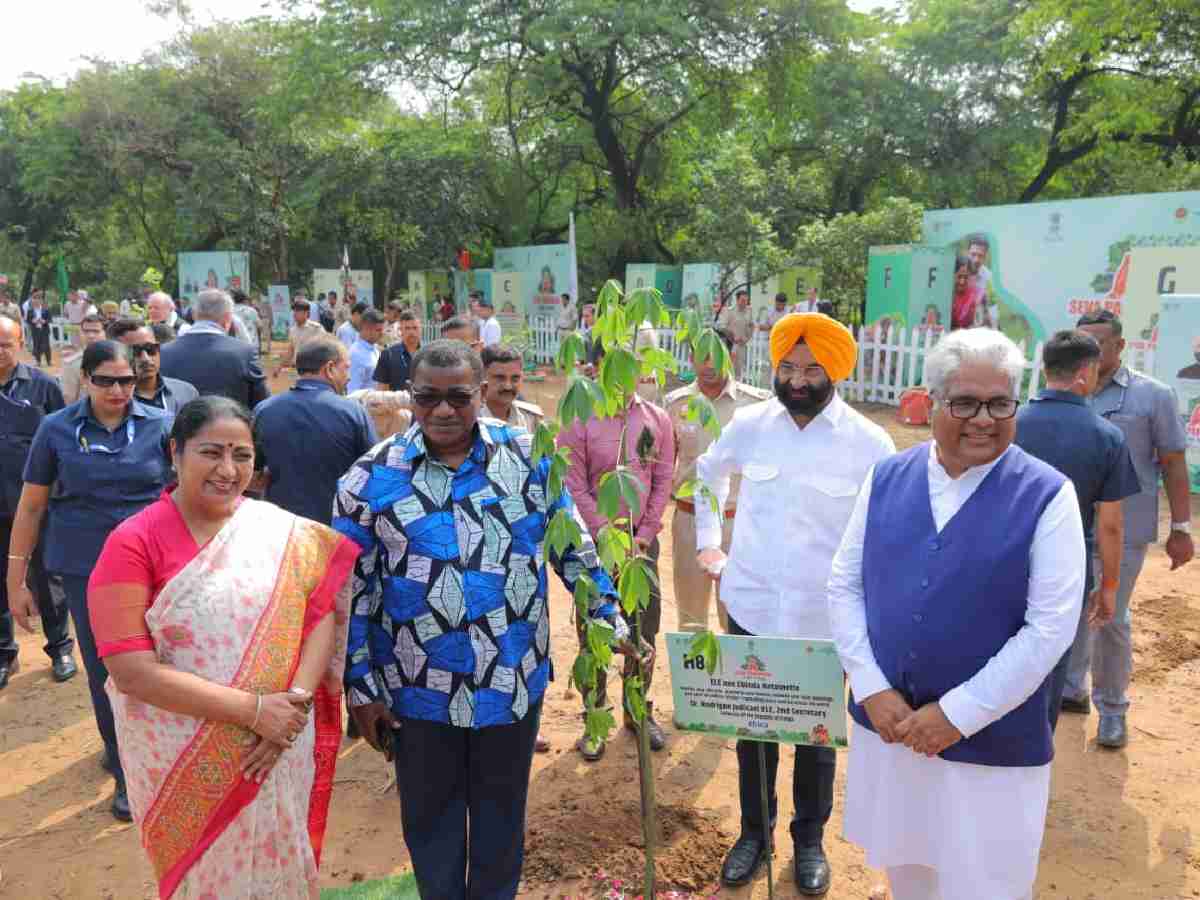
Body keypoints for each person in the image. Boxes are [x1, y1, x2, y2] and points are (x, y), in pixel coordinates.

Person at [334, 339, 643, 900]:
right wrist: (360, 685)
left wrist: (608, 618)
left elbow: (572, 547)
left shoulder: (529, 459)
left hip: (511, 680)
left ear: (482, 393)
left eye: (458, 397)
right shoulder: (368, 479)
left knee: (502, 821)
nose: (443, 411)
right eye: (428, 398)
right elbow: (350, 592)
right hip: (416, 690)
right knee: (431, 825)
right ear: (411, 397)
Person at [827, 327, 1086, 900]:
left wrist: (957, 714)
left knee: (983, 882)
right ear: (932, 401)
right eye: (965, 402)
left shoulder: (1047, 495)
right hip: (892, 731)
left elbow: (1049, 630)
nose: (984, 419)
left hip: (990, 747)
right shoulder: (887, 476)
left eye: (1000, 403)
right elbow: (843, 587)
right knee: (908, 868)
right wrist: (871, 687)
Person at [88, 395, 357, 899]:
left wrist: (291, 710)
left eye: (243, 455)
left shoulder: (279, 529)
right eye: (211, 452)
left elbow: (318, 613)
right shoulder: (132, 543)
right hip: (184, 760)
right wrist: (256, 711)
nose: (228, 470)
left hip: (279, 742)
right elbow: (131, 671)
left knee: (280, 864)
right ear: (175, 452)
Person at [696, 312, 894, 893]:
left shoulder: (868, 441)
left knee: (816, 737)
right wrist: (710, 545)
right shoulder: (751, 424)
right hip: (750, 606)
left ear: (833, 370)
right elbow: (709, 475)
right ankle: (753, 835)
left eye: (811, 368)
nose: (798, 379)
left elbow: (885, 526)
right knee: (753, 730)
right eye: (788, 367)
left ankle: (809, 841)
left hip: (823, 619)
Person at [7, 340, 174, 821]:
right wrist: (15, 579)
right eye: (106, 381)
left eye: (126, 380)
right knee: (108, 668)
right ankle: (125, 768)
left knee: (160, 659)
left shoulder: (162, 425)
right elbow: (32, 505)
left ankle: (155, 753)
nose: (119, 390)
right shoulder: (55, 429)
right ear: (86, 380)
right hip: (87, 569)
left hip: (155, 564)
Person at [1066, 310, 1193, 747]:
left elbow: (1174, 463)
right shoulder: (1066, 391)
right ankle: (1072, 688)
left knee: (1112, 617)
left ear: (1120, 346)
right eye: (1082, 343)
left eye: (1098, 343)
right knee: (1072, 608)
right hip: (1071, 525)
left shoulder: (1152, 396)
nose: (1089, 352)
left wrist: (1181, 526)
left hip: (1126, 530)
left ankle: (1113, 709)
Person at [1014, 330, 1141, 732]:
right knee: (1050, 668)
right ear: (1086, 372)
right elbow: (1111, 523)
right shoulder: (1106, 436)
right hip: (1066, 568)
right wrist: (1108, 587)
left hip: (1002, 560)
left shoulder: (1009, 424)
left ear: (1046, 369)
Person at [558, 363, 675, 760]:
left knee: (645, 628)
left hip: (642, 548)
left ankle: (637, 712)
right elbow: (572, 482)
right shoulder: (580, 417)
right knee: (595, 633)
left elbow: (662, 480)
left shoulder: (657, 418)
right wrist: (604, 534)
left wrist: (643, 537)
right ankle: (595, 718)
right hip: (594, 548)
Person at [665, 331, 770, 636]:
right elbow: (664, 464)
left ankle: (737, 684)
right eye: (701, 356)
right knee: (690, 617)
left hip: (738, 523)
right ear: (691, 359)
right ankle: (694, 685)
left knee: (738, 618)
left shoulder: (755, 406)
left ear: (731, 356)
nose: (708, 364)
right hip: (688, 520)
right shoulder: (676, 404)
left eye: (716, 355)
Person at [0, 316, 75, 689]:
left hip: (34, 503)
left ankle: (60, 646)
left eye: (5, 343)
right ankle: (4, 652)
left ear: (20, 343)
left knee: (48, 577)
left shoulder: (44, 386)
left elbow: (63, 441)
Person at [255, 338, 377, 525]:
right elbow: (374, 472)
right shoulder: (352, 412)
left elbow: (254, 475)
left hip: (280, 529)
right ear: (329, 369)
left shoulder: (264, 410)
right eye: (346, 368)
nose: (349, 376)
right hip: (337, 530)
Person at [160, 289, 270, 410]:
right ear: (228, 317)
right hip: (231, 425)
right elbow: (262, 404)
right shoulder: (245, 353)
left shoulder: (164, 351)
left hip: (180, 427)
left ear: (194, 315)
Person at [108, 318, 199, 415]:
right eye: (134, 351)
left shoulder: (186, 392)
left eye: (150, 349)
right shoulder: (109, 400)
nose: (145, 358)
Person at [481, 344, 542, 431]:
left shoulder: (530, 418)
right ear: (482, 377)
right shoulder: (469, 419)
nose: (508, 386)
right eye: (500, 378)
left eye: (515, 378)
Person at [61, 313, 107, 404]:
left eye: (96, 331)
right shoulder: (72, 364)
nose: (90, 336)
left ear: (105, 332)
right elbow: (70, 399)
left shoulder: (119, 360)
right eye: (86, 331)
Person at [275, 300, 328, 378]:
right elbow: (291, 351)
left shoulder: (316, 328)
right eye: (294, 311)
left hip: (314, 370)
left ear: (306, 313)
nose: (294, 314)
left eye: (298, 311)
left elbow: (326, 347)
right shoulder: (292, 330)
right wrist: (279, 367)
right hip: (299, 370)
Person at [373, 310, 422, 392]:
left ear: (420, 329)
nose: (411, 332)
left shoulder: (429, 354)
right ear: (401, 330)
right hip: (396, 404)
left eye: (415, 328)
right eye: (407, 328)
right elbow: (382, 390)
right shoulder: (388, 354)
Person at [717, 289, 754, 378]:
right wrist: (732, 336)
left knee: (738, 372)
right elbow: (722, 327)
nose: (745, 303)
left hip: (741, 346)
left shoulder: (749, 310)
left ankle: (735, 390)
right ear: (737, 300)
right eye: (742, 300)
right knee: (727, 370)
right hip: (729, 345)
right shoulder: (729, 311)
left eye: (746, 300)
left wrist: (747, 338)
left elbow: (751, 325)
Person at [347, 308, 385, 393]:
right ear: (366, 329)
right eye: (378, 330)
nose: (382, 333)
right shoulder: (356, 355)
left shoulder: (374, 348)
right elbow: (352, 392)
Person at [25, 291, 52, 367]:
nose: (36, 301)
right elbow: (28, 320)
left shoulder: (45, 309)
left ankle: (49, 361)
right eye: (34, 299)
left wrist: (44, 321)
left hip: (44, 330)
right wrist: (33, 321)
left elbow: (50, 319)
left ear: (41, 301)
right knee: (36, 345)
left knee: (46, 346)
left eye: (38, 299)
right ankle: (38, 361)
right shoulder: (30, 310)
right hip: (35, 330)